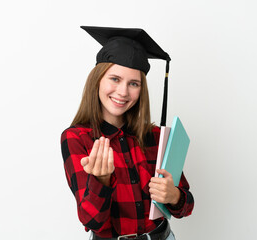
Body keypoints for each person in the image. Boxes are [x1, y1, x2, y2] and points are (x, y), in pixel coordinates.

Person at [61, 26, 194, 240]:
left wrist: (175, 195)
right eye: (115, 79)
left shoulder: (156, 136)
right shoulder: (77, 138)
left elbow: (186, 206)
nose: (123, 92)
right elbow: (91, 220)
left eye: (134, 83)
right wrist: (101, 180)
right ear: (97, 80)